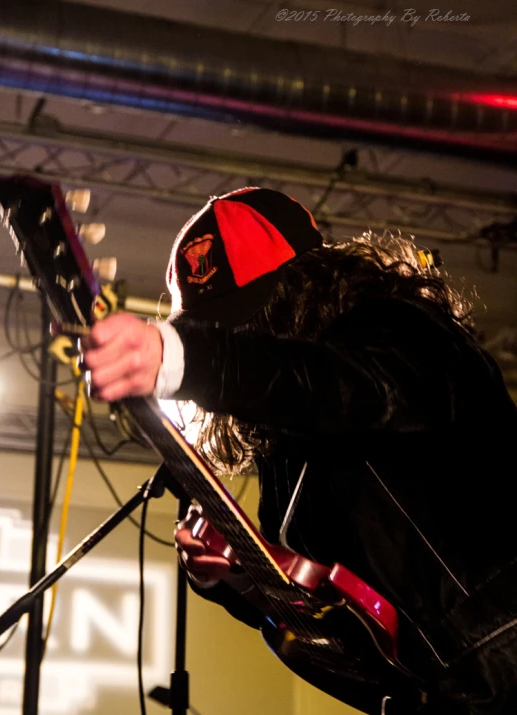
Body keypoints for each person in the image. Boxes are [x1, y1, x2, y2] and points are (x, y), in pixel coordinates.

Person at [82, 187, 517, 715]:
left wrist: (185, 360)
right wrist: (239, 577)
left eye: (251, 314)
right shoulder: (284, 450)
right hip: (450, 692)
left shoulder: (402, 329)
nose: (244, 334)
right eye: (220, 328)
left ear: (308, 283)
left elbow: (340, 388)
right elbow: (335, 629)